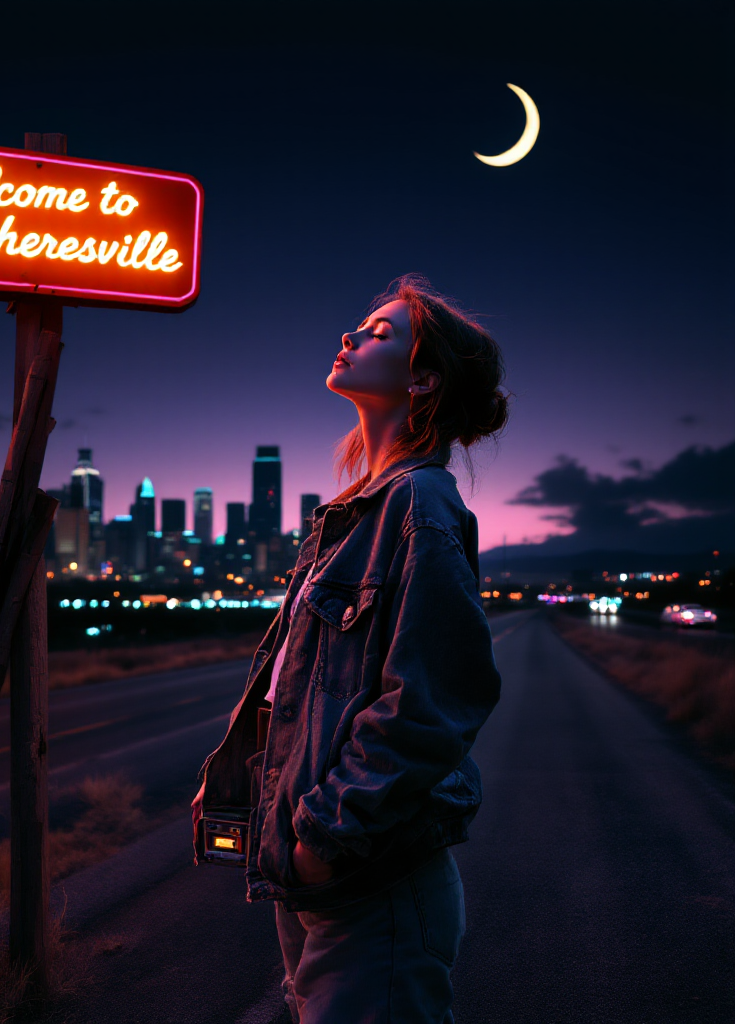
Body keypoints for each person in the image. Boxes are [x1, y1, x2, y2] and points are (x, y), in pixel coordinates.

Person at [192, 274, 507, 1023]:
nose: (352, 336)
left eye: (381, 331)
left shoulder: (418, 502)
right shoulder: (350, 511)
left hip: (371, 876)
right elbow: (295, 689)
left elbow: (432, 700)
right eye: (361, 325)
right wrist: (248, 795)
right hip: (318, 873)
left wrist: (327, 833)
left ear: (423, 380)